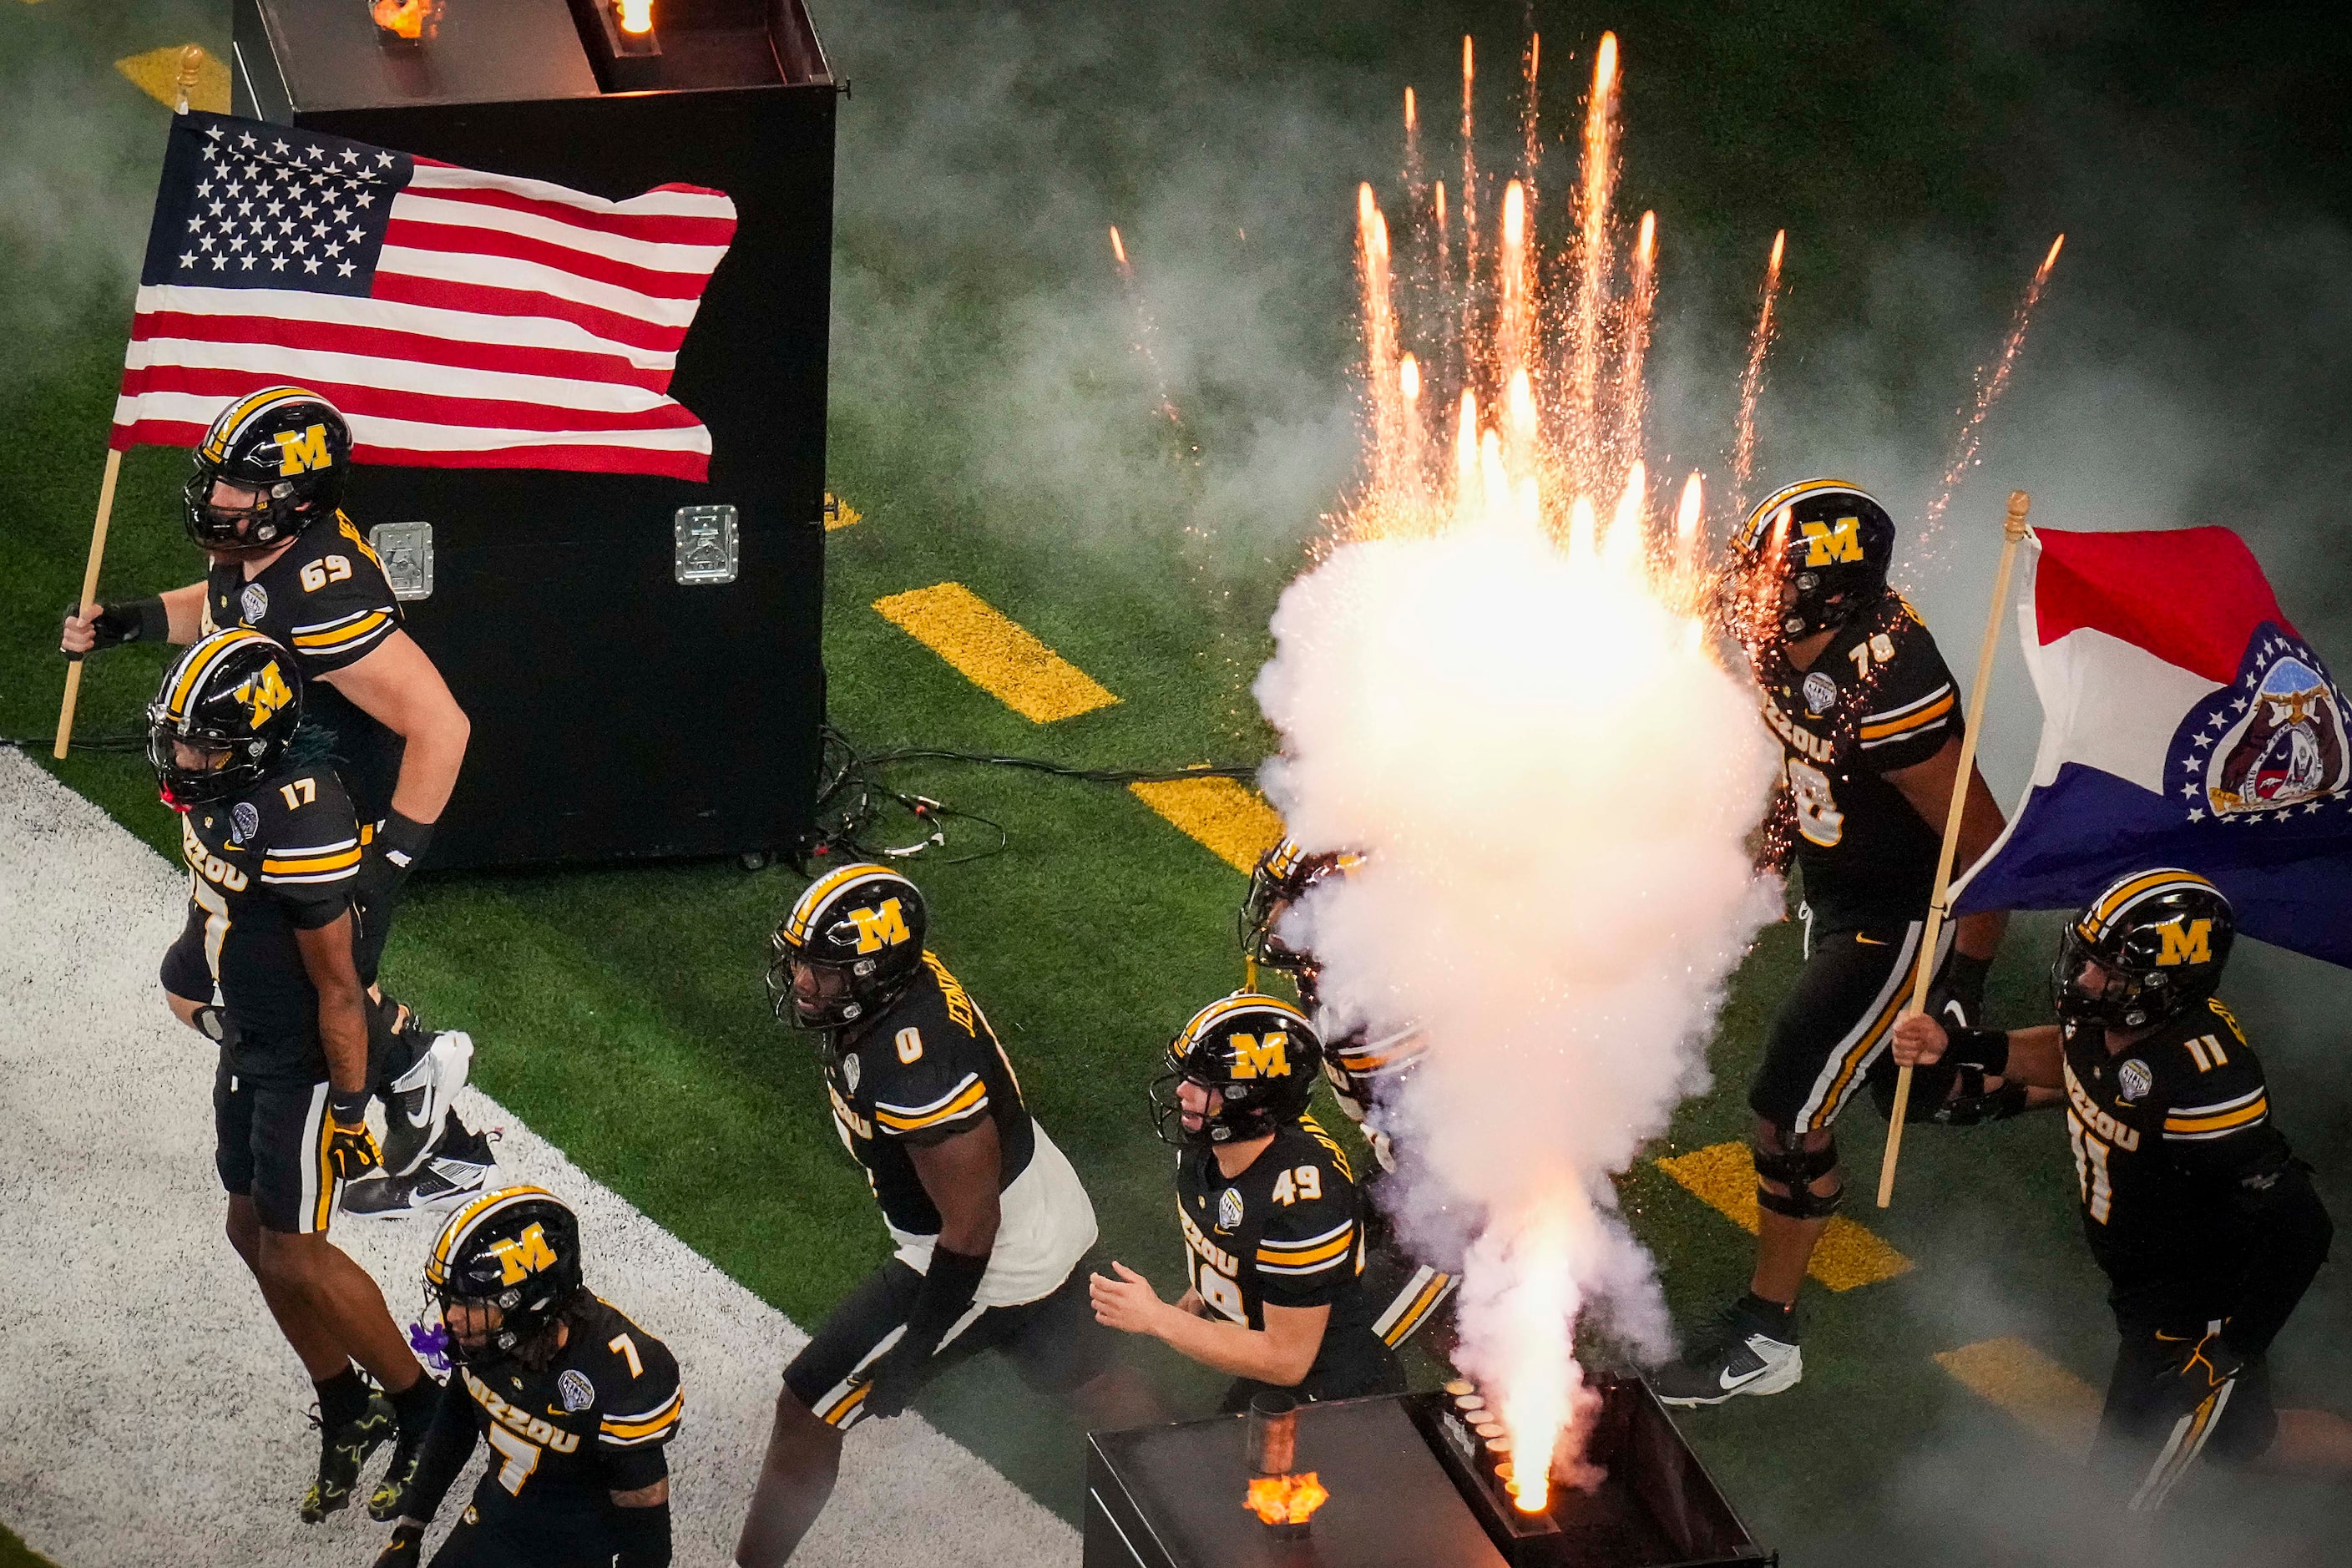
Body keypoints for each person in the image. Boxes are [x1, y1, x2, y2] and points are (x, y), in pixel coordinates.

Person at [63, 386, 491, 1217]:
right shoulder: (259, 549)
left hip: (327, 825)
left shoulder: (325, 590)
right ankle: (413, 1064)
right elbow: (226, 608)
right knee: (202, 990)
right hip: (264, 801)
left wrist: (387, 862)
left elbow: (443, 725)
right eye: (215, 480)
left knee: (302, 1012)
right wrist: (130, 622)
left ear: (296, 496)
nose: (216, 499)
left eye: (238, 488)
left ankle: (400, 1136)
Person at [1655, 478, 2031, 1407]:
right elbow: (1807, 748)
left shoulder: (1892, 679)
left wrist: (1962, 984)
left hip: (1905, 914)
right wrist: (1779, 851)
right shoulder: (1784, 631)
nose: (1749, 592)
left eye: (1773, 579)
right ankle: (2078, 1073)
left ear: (1829, 595)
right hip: (1842, 881)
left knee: (1787, 1115)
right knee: (1924, 1086)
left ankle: (1768, 1335)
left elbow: (1984, 851)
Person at [736, 864, 1163, 1567]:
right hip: (1042, 1205)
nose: (805, 982)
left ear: (876, 975)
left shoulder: (915, 1070)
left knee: (808, 1410)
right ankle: (1208, 1497)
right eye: (803, 963)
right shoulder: (907, 981)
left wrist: (914, 1351)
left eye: (825, 970)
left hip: (995, 1256)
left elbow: (970, 1229)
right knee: (1092, 1381)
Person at [1894, 869, 2349, 1510]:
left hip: (2188, 1317)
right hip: (2144, 1286)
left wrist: (2228, 1352)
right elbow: (2073, 1059)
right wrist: (1962, 1047)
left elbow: (2302, 1229)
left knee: (2114, 1499)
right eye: (2085, 959)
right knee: (2242, 1441)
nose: (2081, 979)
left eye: (2105, 970)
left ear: (2164, 985)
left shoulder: (2203, 1082)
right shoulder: (2111, 1024)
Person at [144, 629, 443, 1521]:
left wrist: (350, 1104)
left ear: (259, 744)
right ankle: (348, 1405)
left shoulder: (301, 815)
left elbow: (340, 988)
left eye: (206, 742)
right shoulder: (226, 790)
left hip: (307, 1061)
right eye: (183, 736)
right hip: (253, 1042)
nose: (186, 757)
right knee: (248, 1229)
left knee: (296, 1251)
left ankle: (421, 1409)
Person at [1090, 992, 1407, 1412]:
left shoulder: (1301, 1201)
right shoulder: (1212, 1143)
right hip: (1274, 1358)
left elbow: (1287, 1360)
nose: (1182, 1091)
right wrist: (1207, 1290)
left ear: (1250, 1102)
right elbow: (1234, 1237)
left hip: (1329, 1393)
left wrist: (1158, 1318)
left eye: (1203, 1084)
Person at [371, 1187, 681, 1567]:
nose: (450, 1317)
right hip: (496, 1523)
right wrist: (408, 1532)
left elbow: (647, 1534)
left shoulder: (617, 1370)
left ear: (526, 1302)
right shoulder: (486, 1344)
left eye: (470, 1305)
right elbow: (455, 1421)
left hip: (578, 1555)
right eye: (450, 1300)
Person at [1241, 837, 1459, 1353]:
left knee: (1343, 1350)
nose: (1270, 917)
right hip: (1411, 1165)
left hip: (1462, 1199)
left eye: (1286, 901)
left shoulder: (1392, 1010)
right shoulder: (1371, 982)